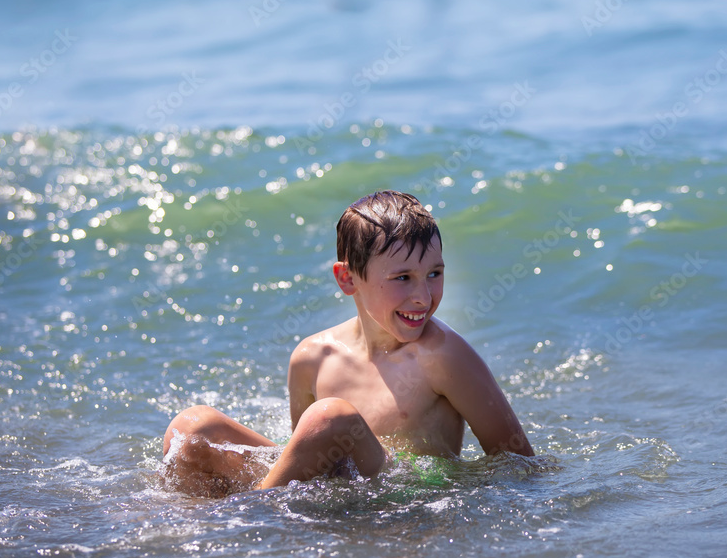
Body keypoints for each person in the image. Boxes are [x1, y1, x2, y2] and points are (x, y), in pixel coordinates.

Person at [161, 190, 533, 496]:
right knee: (192, 427)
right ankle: (198, 534)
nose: (423, 295)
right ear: (348, 279)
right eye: (403, 277)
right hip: (335, 496)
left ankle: (253, 519)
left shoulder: (444, 356)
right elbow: (304, 468)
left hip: (405, 495)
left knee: (332, 417)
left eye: (434, 273)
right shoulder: (312, 359)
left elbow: (520, 463)